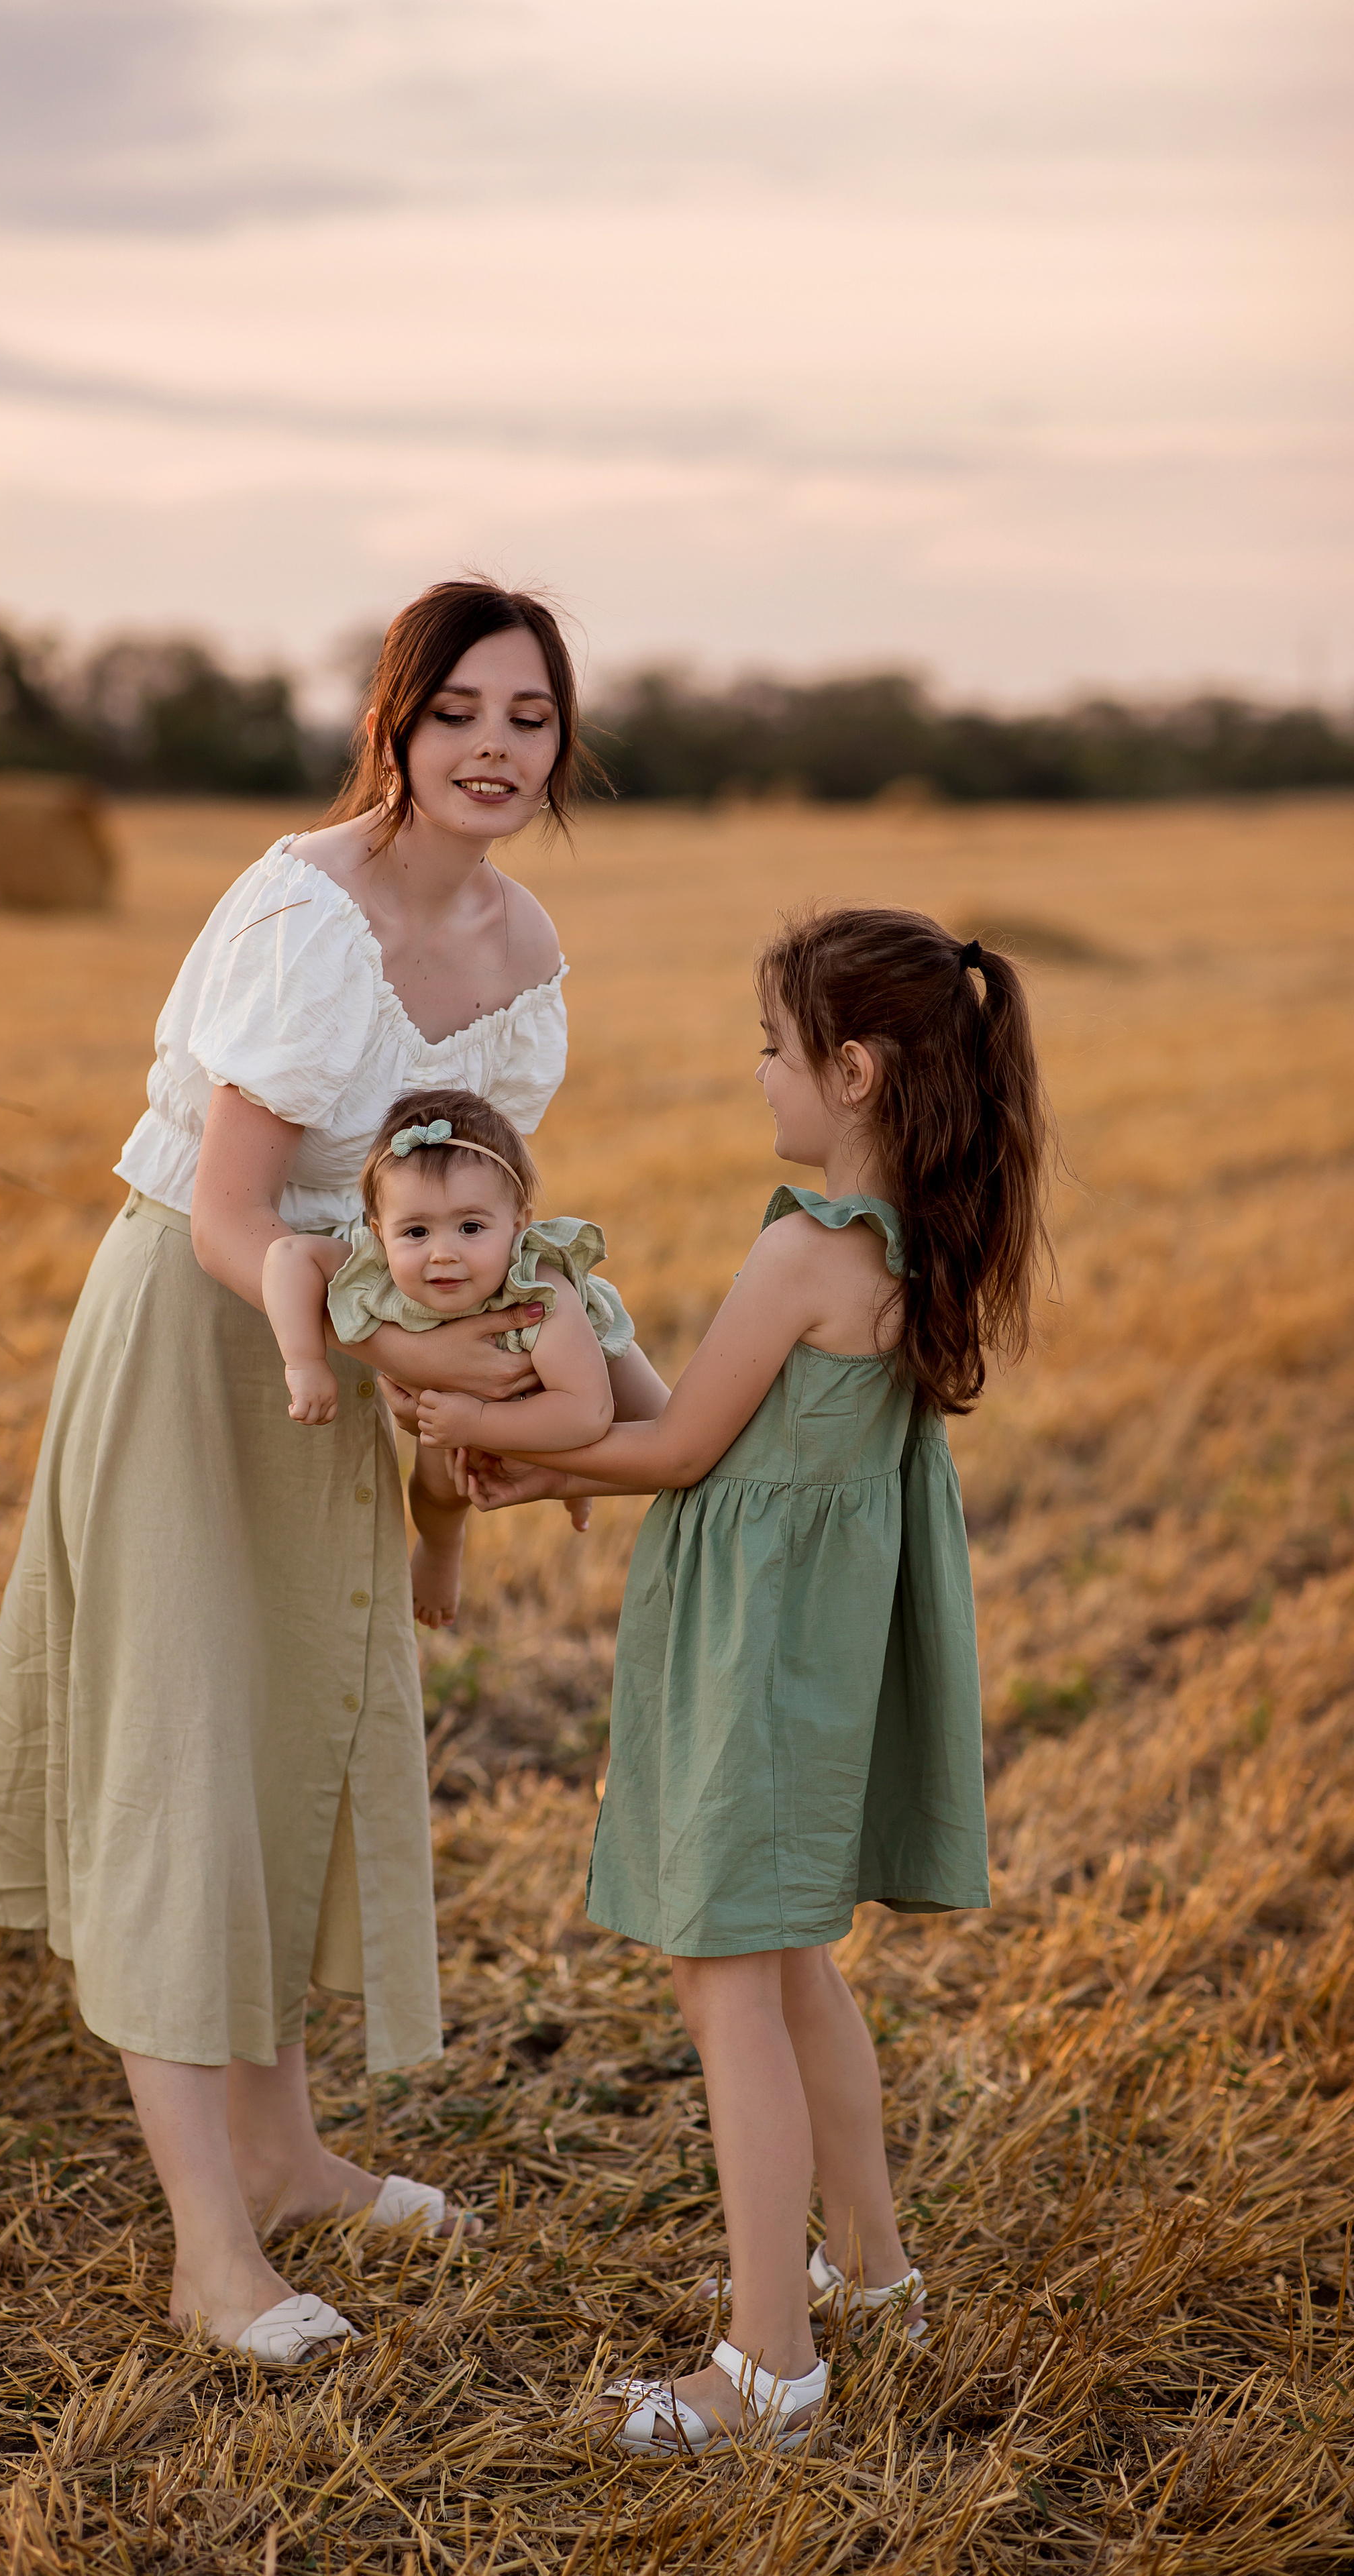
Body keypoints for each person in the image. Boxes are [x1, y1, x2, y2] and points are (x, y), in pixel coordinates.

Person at [0, 578, 633, 2369]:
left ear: (565, 740)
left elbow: (465, 1200)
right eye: (460, 710)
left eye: (529, 717)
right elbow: (240, 1214)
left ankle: (289, 2149)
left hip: (351, 1339)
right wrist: (390, 1353)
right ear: (393, 725)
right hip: (204, 1327)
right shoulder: (301, 915)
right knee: (190, 1756)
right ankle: (210, 2251)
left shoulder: (521, 941)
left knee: (305, 1732)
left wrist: (512, 1369)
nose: (494, 747)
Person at [468, 908, 1053, 2455]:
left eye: (768, 1049)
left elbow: (667, 1451)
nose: (756, 1077)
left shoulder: (803, 1243)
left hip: (755, 1657)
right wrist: (593, 1360)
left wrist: (522, 1456)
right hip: (810, 1653)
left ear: (847, 1068)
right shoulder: (905, 1240)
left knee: (727, 1974)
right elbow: (707, 1421)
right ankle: (871, 2274)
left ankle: (765, 2366)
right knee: (789, 1965)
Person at [261, 1083, 637, 1627]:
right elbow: (287, 1254)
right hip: (456, 1411)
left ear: (518, 1224)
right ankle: (441, 1550)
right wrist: (304, 1361)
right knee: (439, 1491)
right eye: (415, 1231)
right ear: (378, 1234)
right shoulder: (373, 1266)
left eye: (471, 1227)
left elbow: (587, 1411)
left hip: (566, 1386)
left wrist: (480, 1418)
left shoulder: (540, 1294)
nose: (444, 1253)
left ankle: (577, 1488)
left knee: (642, 1424)